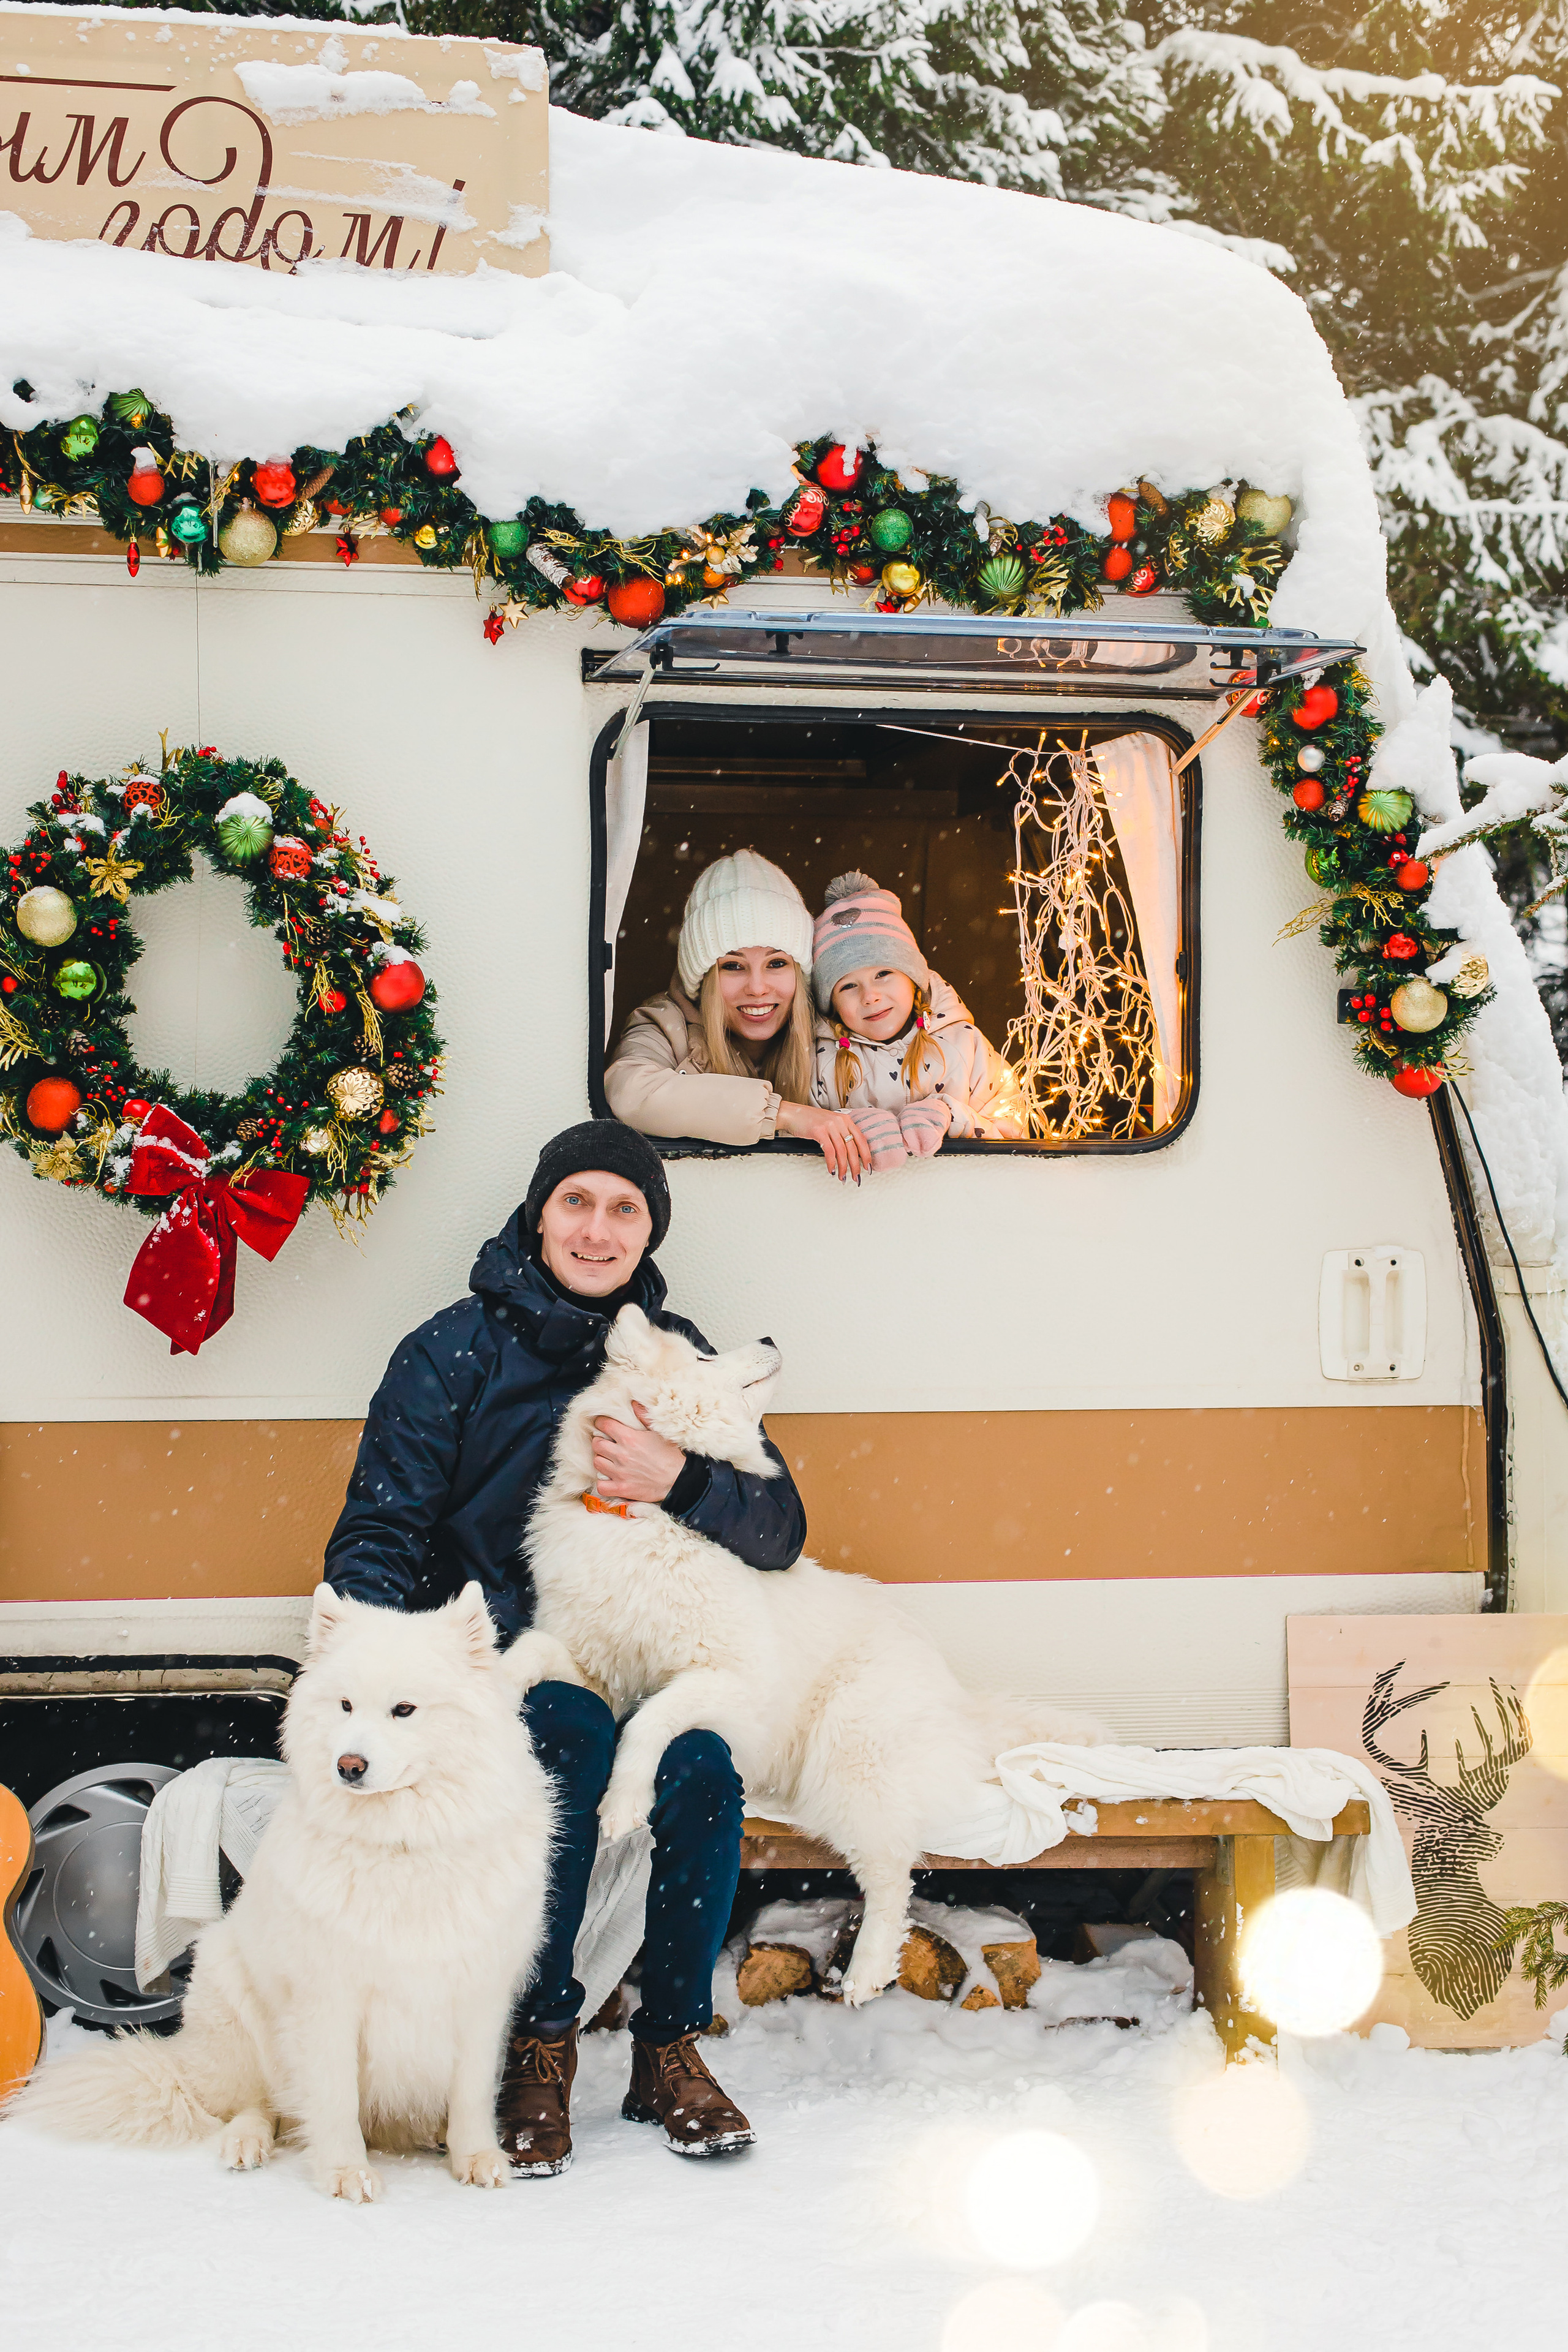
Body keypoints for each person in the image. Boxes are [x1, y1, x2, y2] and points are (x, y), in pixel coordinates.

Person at [323, 1120, 807, 2170]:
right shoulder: (453, 1351)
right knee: (569, 1739)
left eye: (624, 1208)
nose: (598, 1229)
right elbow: (379, 1530)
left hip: (641, 1651)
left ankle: (669, 2042)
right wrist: (385, 1668)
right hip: (504, 1656)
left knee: (704, 1775)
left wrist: (678, 1480)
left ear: (649, 1232)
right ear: (539, 1213)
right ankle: (539, 2041)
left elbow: (780, 1532)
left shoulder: (677, 1357)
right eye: (577, 1202)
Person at [605, 846, 873, 1182]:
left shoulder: (837, 1025)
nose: (758, 988)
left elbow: (929, 1022)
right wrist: (782, 1114)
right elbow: (627, 1092)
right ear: (704, 980)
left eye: (776, 963)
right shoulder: (664, 1025)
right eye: (733, 966)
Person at [810, 870, 1026, 1167]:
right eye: (848, 986)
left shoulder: (964, 1044)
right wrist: (850, 1126)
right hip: (858, 1206)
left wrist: (951, 1116)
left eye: (883, 974)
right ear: (831, 1003)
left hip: (958, 1199)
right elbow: (794, 1141)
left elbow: (1014, 1137)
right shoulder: (819, 1062)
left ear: (914, 979)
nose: (870, 996)